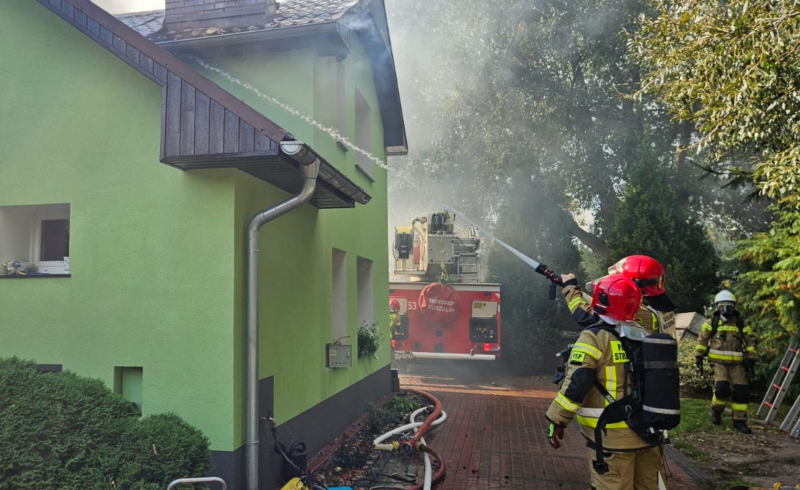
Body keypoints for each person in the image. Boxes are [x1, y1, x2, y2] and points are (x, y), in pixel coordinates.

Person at [546, 275, 667, 490]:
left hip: (612, 438)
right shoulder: (647, 336)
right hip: (648, 433)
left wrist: (557, 420)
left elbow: (577, 384)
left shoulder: (593, 338)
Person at [562, 255, 675, 337]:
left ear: (633, 283)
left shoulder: (639, 312)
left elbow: (586, 317)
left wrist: (570, 288)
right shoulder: (661, 307)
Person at [695, 290, 758, 434]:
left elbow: (750, 340)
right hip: (718, 363)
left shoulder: (741, 323)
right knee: (722, 389)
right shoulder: (712, 323)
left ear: (734, 307)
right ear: (717, 307)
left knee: (741, 392)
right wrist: (699, 355)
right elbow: (703, 339)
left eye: (729, 306)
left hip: (737, 364)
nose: (726, 309)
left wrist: (751, 358)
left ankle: (739, 421)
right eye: (723, 306)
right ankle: (716, 410)